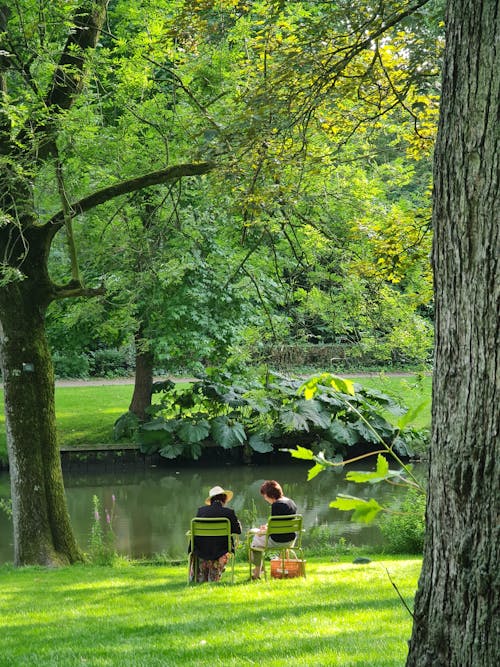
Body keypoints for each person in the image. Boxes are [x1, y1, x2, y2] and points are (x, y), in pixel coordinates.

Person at [189, 485, 242, 583]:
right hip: (221, 550)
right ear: (224, 499)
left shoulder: (201, 511)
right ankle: (215, 574)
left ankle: (201, 576)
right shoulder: (229, 512)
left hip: (202, 549)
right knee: (222, 545)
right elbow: (238, 531)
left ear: (211, 500)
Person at [249, 479, 297, 579]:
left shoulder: (276, 505)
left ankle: (257, 573)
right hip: (291, 540)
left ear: (270, 495)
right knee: (259, 536)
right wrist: (268, 526)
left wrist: (262, 532)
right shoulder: (290, 502)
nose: (265, 499)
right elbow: (281, 523)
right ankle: (262, 570)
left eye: (265, 496)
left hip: (278, 540)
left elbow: (275, 530)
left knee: (255, 540)